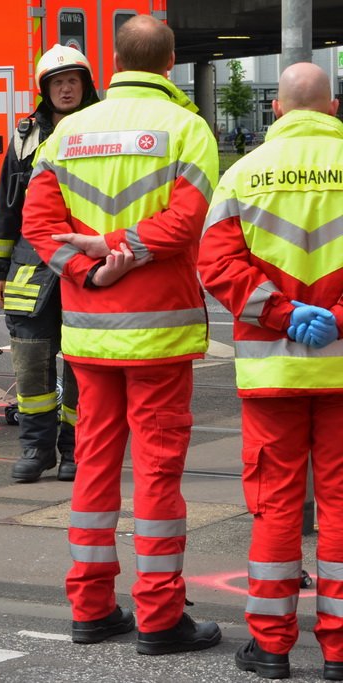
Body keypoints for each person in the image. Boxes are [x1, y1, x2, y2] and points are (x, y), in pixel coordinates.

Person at [21, 15, 222, 653]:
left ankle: (91, 608)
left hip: (87, 335)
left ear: (113, 60)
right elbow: (186, 222)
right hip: (159, 335)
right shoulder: (188, 129)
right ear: (169, 63)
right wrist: (126, 250)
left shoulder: (68, 133)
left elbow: (38, 222)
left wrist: (89, 266)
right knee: (158, 476)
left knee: (93, 473)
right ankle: (161, 618)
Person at [198, 62, 343, 681]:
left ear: (277, 112)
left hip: (272, 374)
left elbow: (217, 265)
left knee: (277, 507)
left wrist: (284, 315)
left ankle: (272, 647)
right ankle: (340, 652)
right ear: (333, 110)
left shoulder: (242, 174)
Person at [0, 44, 98, 484]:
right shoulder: (25, 135)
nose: (66, 89)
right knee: (30, 361)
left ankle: (74, 450)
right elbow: (5, 206)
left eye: (72, 81)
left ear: (86, 86)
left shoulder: (101, 127)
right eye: (57, 82)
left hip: (82, 262)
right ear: (44, 89)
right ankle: (35, 448)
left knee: (80, 363)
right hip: (29, 265)